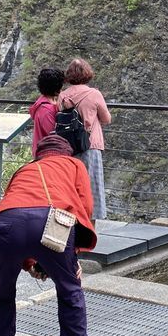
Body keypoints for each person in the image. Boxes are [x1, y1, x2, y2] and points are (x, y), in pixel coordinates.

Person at [0, 134, 97, 336]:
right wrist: (71, 256)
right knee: (69, 290)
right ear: (67, 152)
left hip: (3, 223)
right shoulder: (74, 165)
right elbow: (84, 205)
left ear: (38, 154)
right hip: (51, 220)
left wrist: (30, 261)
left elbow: (22, 214)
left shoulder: (26, 168)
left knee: (2, 294)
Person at [58, 57, 111, 221]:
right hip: (90, 145)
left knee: (71, 187)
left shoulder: (62, 96)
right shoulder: (94, 94)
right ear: (87, 74)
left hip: (68, 147)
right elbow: (106, 119)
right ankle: (90, 227)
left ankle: (71, 225)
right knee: (92, 187)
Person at [28, 67, 65, 158]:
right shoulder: (46, 110)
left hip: (46, 153)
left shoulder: (46, 104)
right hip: (48, 156)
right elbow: (53, 134)